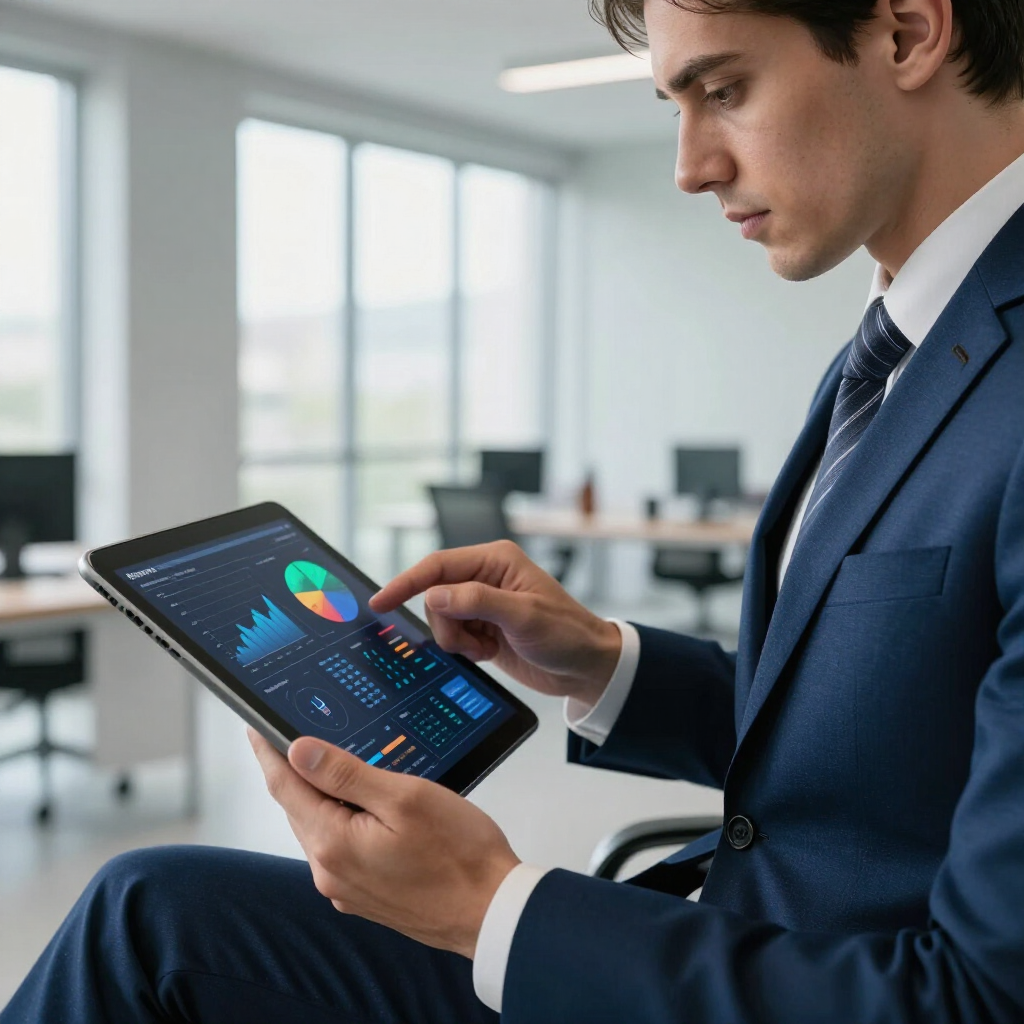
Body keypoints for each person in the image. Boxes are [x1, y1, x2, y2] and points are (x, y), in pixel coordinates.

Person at [5, 0, 1024, 1020]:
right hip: (724, 938)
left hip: (769, 983)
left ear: (905, 31)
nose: (690, 165)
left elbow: (977, 1000)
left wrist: (484, 910)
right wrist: (603, 660)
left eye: (724, 91)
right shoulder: (899, 339)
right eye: (674, 104)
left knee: (148, 927)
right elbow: (888, 742)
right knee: (153, 910)